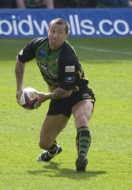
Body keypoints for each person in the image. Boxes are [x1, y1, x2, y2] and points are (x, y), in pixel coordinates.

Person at [15, 18, 96, 172]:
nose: (55, 35)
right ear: (48, 31)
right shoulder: (38, 45)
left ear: (66, 35)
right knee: (44, 143)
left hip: (79, 93)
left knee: (81, 118)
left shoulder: (68, 57)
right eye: (53, 31)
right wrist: (19, 88)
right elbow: (20, 59)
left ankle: (82, 157)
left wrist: (43, 97)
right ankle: (53, 150)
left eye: (60, 32)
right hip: (57, 95)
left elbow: (66, 91)